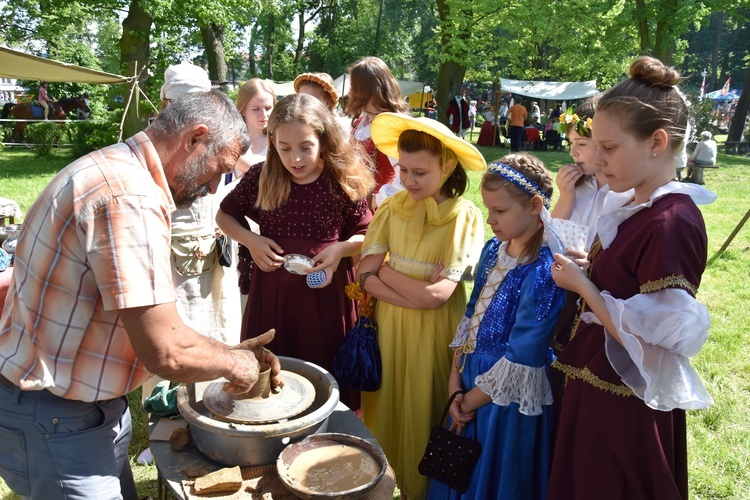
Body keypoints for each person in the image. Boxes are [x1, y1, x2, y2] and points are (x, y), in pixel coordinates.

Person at [0, 90, 281, 499]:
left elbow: (151, 322)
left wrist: (222, 351)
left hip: (75, 406)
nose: (210, 189)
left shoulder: (111, 165)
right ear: (195, 139)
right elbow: (165, 351)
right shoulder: (128, 198)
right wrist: (234, 364)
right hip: (56, 416)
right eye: (216, 172)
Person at [548, 56, 716, 499]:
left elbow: (660, 335)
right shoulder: (637, 205)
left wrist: (583, 286)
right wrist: (591, 269)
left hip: (625, 405)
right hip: (600, 387)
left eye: (610, 147)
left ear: (657, 142)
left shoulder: (672, 220)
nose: (597, 160)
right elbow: (625, 289)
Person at [216, 94, 374, 409]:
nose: (295, 159)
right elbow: (224, 215)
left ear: (324, 141)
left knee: (323, 382)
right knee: (275, 378)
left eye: (306, 147)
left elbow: (367, 233)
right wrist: (251, 240)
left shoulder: (339, 180)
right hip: (273, 297)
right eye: (284, 148)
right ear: (272, 142)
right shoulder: (262, 176)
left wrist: (339, 249)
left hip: (327, 299)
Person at [356, 113, 485, 498]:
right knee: (389, 404)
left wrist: (387, 272)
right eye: (403, 169)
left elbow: (440, 297)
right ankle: (381, 479)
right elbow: (364, 273)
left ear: (446, 167)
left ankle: (422, 489)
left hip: (435, 331)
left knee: (424, 406)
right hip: (389, 327)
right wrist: (405, 286)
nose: (408, 181)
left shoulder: (464, 216)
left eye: (420, 173)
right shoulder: (392, 206)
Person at [427, 154, 566, 500]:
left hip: (506, 400)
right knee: (459, 473)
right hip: (470, 379)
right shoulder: (494, 250)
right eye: (488, 209)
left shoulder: (544, 270)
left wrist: (470, 401)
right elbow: (471, 315)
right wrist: (454, 382)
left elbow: (524, 353)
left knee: (495, 478)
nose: (490, 220)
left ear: (535, 206)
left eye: (500, 211)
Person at [141, 63, 242, 404]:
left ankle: (213, 403)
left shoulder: (212, 144)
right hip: (171, 263)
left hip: (212, 258)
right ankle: (165, 418)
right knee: (172, 335)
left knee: (216, 330)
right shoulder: (156, 155)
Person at [346, 56, 410, 208]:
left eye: (353, 86)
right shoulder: (360, 123)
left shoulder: (391, 126)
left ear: (364, 90)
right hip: (358, 207)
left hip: (382, 211)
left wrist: (376, 201)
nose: (350, 93)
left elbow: (406, 178)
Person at [231, 78, 276, 183]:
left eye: (268, 108)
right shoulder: (229, 141)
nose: (264, 114)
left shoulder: (280, 140)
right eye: (256, 109)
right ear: (243, 110)